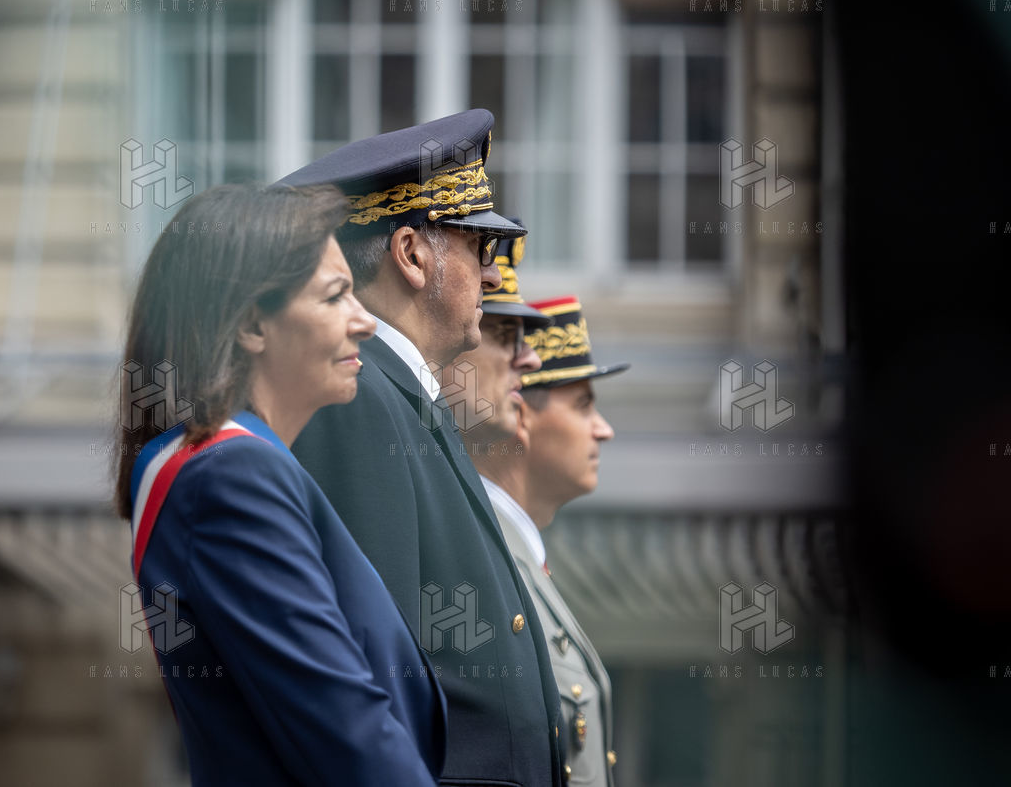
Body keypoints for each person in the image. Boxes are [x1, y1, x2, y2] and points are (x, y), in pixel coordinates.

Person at [113, 183, 446, 787]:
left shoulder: (222, 464)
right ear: (251, 325)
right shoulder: (231, 474)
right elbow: (347, 731)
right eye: (335, 295)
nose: (365, 322)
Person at [279, 109, 566, 787]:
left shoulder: (404, 397)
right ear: (410, 254)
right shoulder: (360, 400)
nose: (492, 277)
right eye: (479, 247)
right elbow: (376, 676)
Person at [446, 282, 628, 786]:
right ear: (521, 414)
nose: (603, 429)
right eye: (584, 405)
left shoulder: (518, 553)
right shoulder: (483, 560)